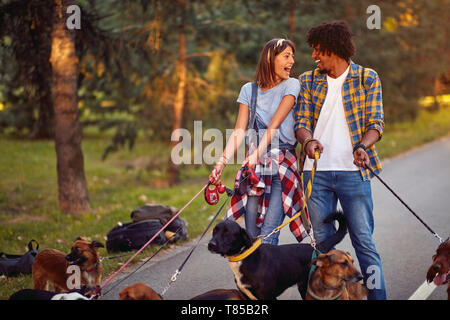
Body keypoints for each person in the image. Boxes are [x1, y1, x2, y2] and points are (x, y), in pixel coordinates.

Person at [294, 21, 387, 300]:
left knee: (364, 245)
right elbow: (301, 122)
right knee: (323, 250)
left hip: (353, 173)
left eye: (318, 51)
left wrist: (362, 146)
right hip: (316, 175)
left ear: (333, 49)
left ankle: (378, 297)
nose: (314, 57)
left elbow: (376, 124)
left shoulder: (366, 78)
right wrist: (308, 141)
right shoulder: (307, 80)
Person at [209, 38, 309, 245]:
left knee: (269, 232)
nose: (292, 61)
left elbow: (274, 125)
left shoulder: (292, 85)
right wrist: (221, 163)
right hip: (256, 169)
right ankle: (256, 276)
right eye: (286, 56)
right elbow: (239, 130)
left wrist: (255, 155)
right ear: (270, 59)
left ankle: (264, 276)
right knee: (252, 231)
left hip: (282, 164)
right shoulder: (249, 90)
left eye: (292, 56)